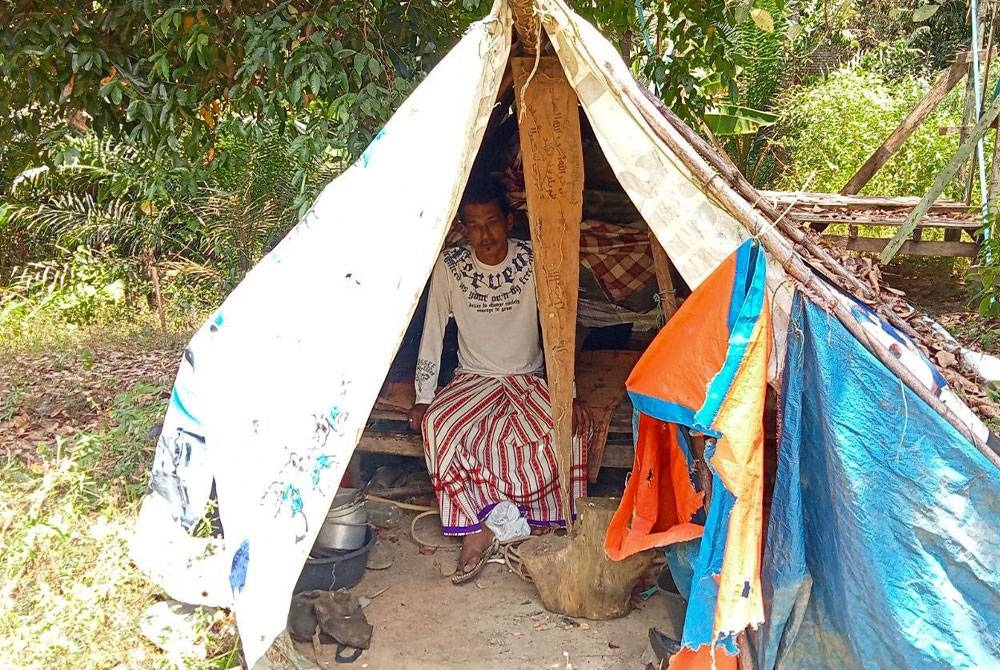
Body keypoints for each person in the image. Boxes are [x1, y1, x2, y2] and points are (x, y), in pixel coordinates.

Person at [409, 177, 592, 584]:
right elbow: (433, 331)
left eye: (491, 223)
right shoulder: (450, 267)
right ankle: (477, 529)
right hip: (473, 379)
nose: (484, 235)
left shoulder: (535, 261)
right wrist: (424, 396)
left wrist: (569, 395)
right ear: (463, 228)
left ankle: (536, 519)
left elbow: (556, 330)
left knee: (572, 430)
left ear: (509, 221)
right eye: (473, 226)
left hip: (527, 378)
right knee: (438, 427)